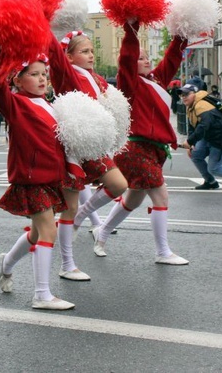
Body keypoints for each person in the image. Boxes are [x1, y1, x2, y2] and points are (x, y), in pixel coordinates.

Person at [90, 20, 190, 265]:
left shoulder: (156, 81)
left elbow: (172, 59)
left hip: (155, 150)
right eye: (141, 58)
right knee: (161, 196)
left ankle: (101, 233)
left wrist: (181, 33)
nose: (146, 61)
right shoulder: (129, 84)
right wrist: (131, 29)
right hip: (136, 147)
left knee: (134, 198)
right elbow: (127, 58)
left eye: (147, 58)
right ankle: (162, 252)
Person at [0, 46, 74, 310]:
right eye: (34, 74)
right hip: (31, 179)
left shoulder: (49, 105)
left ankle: (7, 263)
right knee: (49, 229)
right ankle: (41, 294)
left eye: (44, 74)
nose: (42, 80)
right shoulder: (16, 104)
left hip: (51, 179)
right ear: (17, 79)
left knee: (38, 233)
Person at [49, 31, 128, 281]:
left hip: (93, 146)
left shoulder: (97, 78)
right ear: (69, 57)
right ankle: (67, 264)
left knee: (119, 184)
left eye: (91, 50)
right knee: (66, 210)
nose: (91, 55)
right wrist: (44, 19)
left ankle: (85, 215)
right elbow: (53, 52)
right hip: (72, 148)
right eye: (84, 51)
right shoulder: (66, 74)